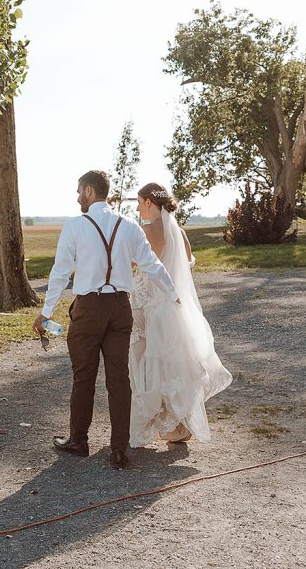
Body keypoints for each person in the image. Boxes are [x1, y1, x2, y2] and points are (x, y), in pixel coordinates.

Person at [33, 170, 178, 469]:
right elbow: (151, 264)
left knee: (83, 376)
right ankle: (119, 449)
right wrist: (174, 293)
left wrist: (46, 313)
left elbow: (60, 274)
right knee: (119, 380)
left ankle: (79, 440)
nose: (76, 197)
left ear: (88, 191)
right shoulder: (129, 226)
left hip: (89, 309)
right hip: (120, 309)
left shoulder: (74, 226)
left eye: (78, 191)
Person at [128, 183, 232, 447]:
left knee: (148, 366)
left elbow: (132, 265)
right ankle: (179, 425)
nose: (137, 207)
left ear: (150, 202)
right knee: (174, 366)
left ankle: (158, 422)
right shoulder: (180, 233)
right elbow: (186, 269)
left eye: (139, 202)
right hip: (174, 308)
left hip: (147, 306)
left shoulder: (144, 232)